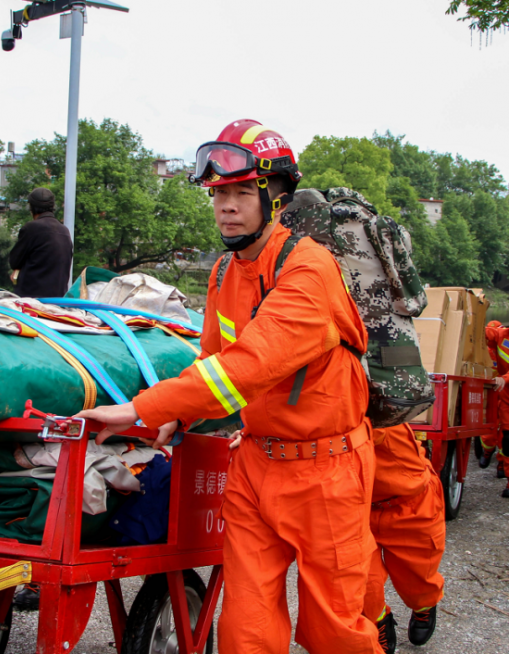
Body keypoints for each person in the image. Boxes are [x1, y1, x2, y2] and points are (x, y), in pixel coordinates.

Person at [78, 120, 384, 653]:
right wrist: (179, 417)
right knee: (247, 630)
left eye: (243, 192)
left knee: (333, 632)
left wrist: (139, 409)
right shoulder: (223, 273)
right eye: (220, 194)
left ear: (279, 200)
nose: (227, 205)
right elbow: (212, 363)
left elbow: (245, 367)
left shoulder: (309, 270)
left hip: (327, 472)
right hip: (256, 467)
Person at [364, 424, 445, 654]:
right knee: (360, 580)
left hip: (410, 504)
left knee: (418, 577)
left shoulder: (375, 397)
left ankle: (424, 605)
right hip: (356, 507)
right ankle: (378, 620)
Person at [8, 187, 73, 298]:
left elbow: (14, 261)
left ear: (31, 208)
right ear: (52, 207)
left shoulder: (31, 228)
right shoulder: (64, 231)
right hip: (58, 299)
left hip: (32, 299)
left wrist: (18, 268)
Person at [482, 320, 509, 492]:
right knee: (507, 440)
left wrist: (504, 379)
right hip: (506, 397)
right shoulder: (501, 335)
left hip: (504, 386)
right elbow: (482, 335)